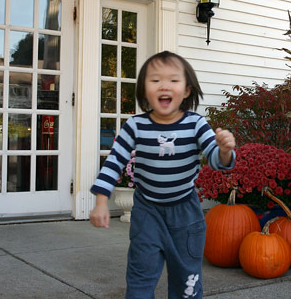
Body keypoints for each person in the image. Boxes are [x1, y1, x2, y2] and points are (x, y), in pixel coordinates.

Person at [89, 51, 236, 298]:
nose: (164, 85)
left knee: (186, 281)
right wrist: (101, 201)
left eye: (173, 80)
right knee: (140, 277)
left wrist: (224, 151)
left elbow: (214, 158)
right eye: (155, 80)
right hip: (148, 213)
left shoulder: (196, 124)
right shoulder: (135, 126)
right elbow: (114, 162)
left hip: (185, 213)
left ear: (187, 90)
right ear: (144, 90)